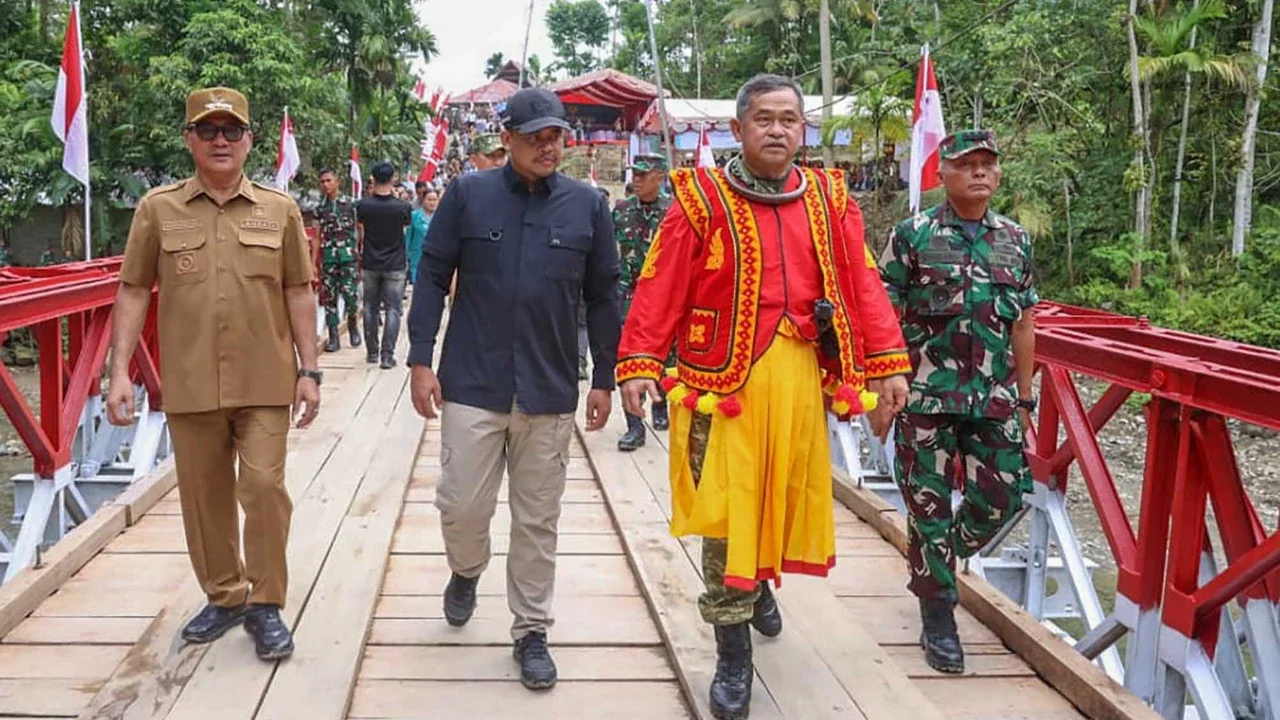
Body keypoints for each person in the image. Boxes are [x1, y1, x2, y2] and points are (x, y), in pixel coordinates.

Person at [616, 74, 909, 720]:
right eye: (765, 119)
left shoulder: (832, 200)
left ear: (802, 131)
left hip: (801, 380)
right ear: (740, 129)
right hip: (722, 388)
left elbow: (864, 284)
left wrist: (889, 362)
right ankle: (732, 653)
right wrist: (637, 361)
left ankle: (760, 582)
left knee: (777, 494)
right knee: (727, 510)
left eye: (790, 120)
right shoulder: (702, 199)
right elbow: (659, 280)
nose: (778, 130)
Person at [406, 86, 621, 692]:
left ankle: (530, 631)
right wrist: (421, 359)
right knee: (461, 506)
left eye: (555, 136)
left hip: (549, 389)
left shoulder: (587, 206)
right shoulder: (468, 195)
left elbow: (605, 293)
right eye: (535, 137)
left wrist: (605, 375)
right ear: (507, 139)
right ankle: (466, 569)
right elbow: (430, 273)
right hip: (472, 382)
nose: (548, 146)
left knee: (538, 519)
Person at [105, 86, 319, 661]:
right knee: (205, 497)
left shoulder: (280, 210)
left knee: (264, 487)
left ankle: (266, 603)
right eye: (208, 131)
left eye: (232, 131)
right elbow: (132, 289)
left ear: (250, 140)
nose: (220, 140)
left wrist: (312, 370)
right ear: (189, 140)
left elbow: (299, 290)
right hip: (191, 379)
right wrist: (118, 371)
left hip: (267, 379)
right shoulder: (158, 208)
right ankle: (225, 597)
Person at [878, 129, 1038, 675]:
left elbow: (1025, 321)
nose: (978, 173)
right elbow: (882, 316)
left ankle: (943, 555)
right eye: (965, 164)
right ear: (941, 173)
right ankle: (938, 613)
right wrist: (882, 384)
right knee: (927, 507)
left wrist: (1025, 394)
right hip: (923, 396)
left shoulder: (1015, 240)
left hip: (993, 398)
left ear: (997, 174)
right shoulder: (913, 235)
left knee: (1005, 497)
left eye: (987, 164)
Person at [614, 153, 673, 451]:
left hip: (665, 299)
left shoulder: (675, 213)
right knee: (627, 360)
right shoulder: (622, 211)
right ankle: (634, 427)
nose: (635, 179)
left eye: (643, 174)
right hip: (627, 297)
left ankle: (660, 405)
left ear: (660, 177)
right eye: (633, 174)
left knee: (666, 359)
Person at [356, 161, 412, 369]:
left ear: (372, 179)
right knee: (393, 309)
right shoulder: (403, 207)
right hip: (395, 263)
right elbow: (405, 226)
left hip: (370, 262)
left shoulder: (363, 206)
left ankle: (372, 352)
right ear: (393, 179)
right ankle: (387, 355)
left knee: (370, 307)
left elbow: (360, 229)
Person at [316, 168, 362, 352]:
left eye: (329, 180)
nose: (326, 185)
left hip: (348, 256)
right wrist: (313, 262)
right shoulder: (320, 208)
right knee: (329, 298)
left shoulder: (351, 204)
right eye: (322, 181)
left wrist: (361, 250)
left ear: (337, 181)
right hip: (328, 258)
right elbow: (316, 236)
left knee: (351, 296)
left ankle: (352, 324)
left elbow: (360, 228)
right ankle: (333, 335)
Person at [406, 188, 438, 287]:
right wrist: (406, 258)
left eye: (434, 200)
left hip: (435, 260)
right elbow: (408, 239)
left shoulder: (441, 217)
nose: (432, 203)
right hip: (417, 259)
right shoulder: (414, 216)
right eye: (429, 200)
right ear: (423, 200)